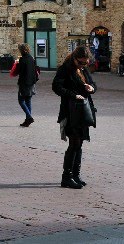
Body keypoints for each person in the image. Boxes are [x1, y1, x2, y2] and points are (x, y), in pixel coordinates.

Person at [52, 46, 97, 189]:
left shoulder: (83, 69)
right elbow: (56, 87)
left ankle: (76, 174)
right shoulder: (65, 69)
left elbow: (92, 83)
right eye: (80, 63)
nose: (83, 65)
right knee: (74, 144)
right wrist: (73, 95)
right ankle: (66, 177)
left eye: (86, 63)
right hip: (71, 111)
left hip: (83, 111)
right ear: (74, 58)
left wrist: (91, 88)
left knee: (80, 143)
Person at [11, 44, 38, 126]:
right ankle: (27, 121)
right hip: (32, 82)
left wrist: (16, 63)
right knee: (28, 101)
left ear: (22, 50)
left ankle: (29, 117)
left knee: (21, 101)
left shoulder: (22, 60)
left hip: (24, 83)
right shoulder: (32, 58)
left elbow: (18, 71)